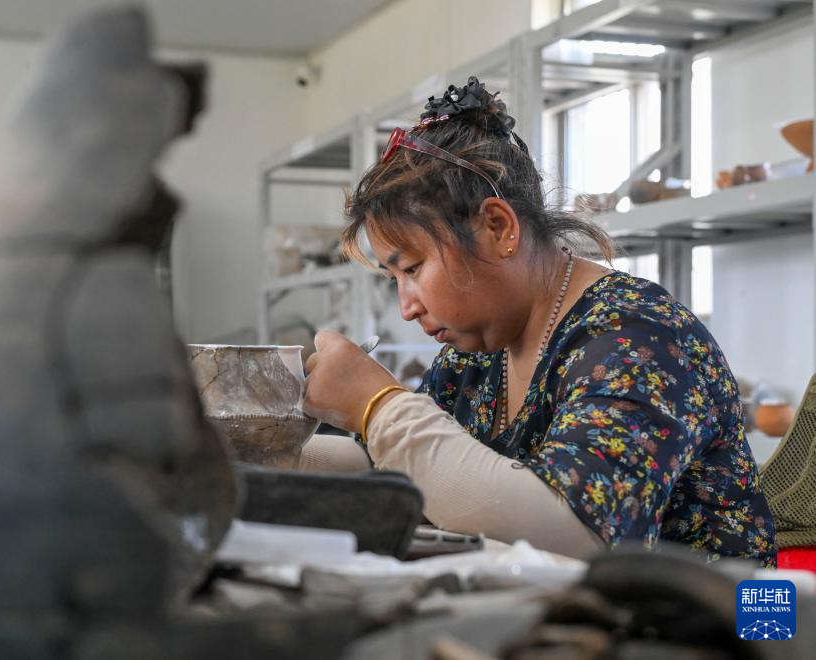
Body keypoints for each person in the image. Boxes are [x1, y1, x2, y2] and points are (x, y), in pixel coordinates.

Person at [301, 76, 776, 566]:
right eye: (394, 279)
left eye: (413, 269)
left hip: (720, 609)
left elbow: (574, 533)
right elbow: (396, 467)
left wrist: (380, 405)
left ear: (498, 227)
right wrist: (273, 447)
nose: (407, 307)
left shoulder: (638, 335)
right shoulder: (477, 354)